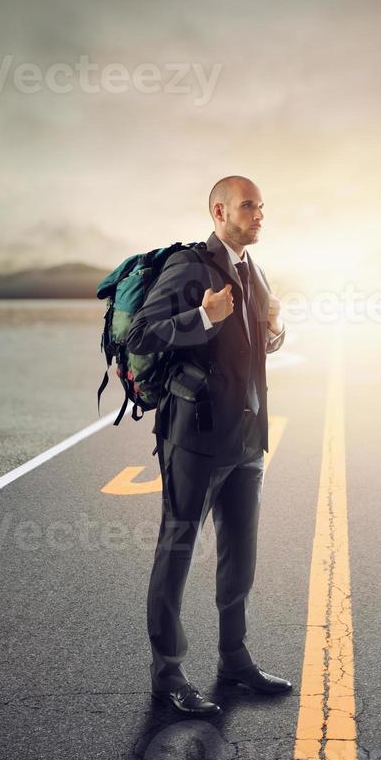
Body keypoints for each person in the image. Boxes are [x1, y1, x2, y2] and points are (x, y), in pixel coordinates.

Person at [126, 175, 291, 717]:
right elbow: (142, 336)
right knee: (176, 553)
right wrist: (202, 317)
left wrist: (275, 329)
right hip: (193, 438)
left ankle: (234, 659)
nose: (260, 214)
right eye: (249, 206)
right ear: (220, 210)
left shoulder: (255, 270)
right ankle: (167, 675)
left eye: (262, 206)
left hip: (245, 440)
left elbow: (254, 345)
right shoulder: (189, 266)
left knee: (240, 553)